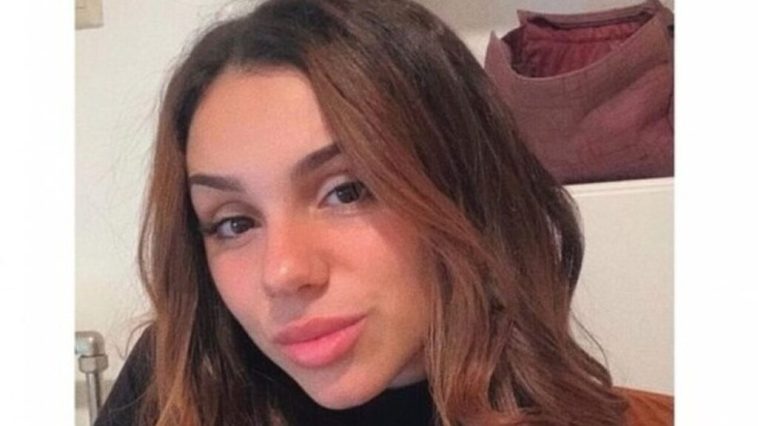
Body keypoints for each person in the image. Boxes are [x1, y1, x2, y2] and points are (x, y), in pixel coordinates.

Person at [95, 0, 673, 425]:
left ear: (465, 190)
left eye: (347, 191)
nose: (284, 272)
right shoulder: (178, 381)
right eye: (234, 222)